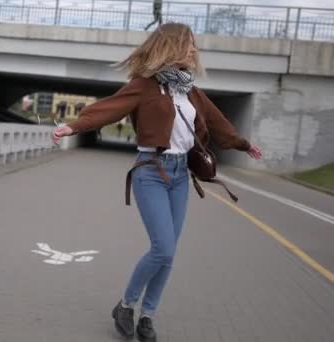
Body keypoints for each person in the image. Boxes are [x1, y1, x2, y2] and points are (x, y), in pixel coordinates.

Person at [52, 23, 262, 342]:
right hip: (151, 171)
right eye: (189, 44)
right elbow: (110, 108)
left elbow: (219, 123)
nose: (194, 50)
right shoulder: (144, 86)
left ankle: (147, 315)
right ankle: (125, 305)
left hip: (180, 175)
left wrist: (243, 144)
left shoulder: (191, 91)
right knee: (162, 248)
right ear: (172, 46)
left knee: (169, 253)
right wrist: (74, 127)